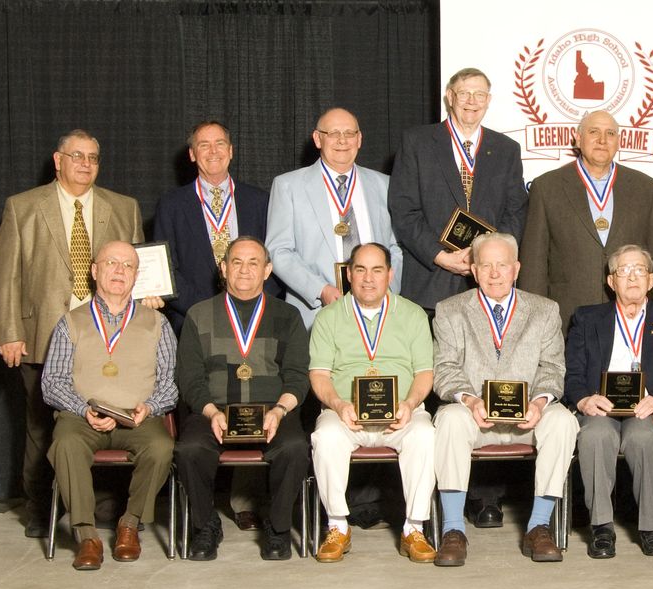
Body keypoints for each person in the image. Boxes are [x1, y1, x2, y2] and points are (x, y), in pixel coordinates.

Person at [0, 129, 145, 537]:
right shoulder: (22, 207)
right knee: (42, 427)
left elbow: (138, 269)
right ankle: (41, 509)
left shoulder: (122, 207)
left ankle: (103, 506)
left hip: (108, 339)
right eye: (76, 156)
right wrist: (9, 331)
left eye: (93, 157)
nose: (85, 164)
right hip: (41, 334)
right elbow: (6, 275)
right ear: (58, 160)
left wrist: (150, 298)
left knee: (108, 422)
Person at [154, 120, 278, 532]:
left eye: (220, 143)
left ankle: (245, 498)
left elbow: (270, 262)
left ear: (231, 150)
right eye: (202, 146)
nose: (212, 151)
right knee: (203, 412)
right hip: (193, 321)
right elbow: (166, 268)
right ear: (191, 155)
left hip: (253, 323)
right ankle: (203, 507)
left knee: (252, 398)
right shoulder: (171, 205)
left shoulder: (260, 200)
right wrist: (207, 310)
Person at [431, 233, 579, 565]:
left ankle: (539, 526)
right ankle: (453, 531)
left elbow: (553, 367)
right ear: (473, 269)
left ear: (516, 269)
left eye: (502, 265)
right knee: (449, 419)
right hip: (476, 418)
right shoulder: (450, 310)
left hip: (528, 418)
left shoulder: (544, 310)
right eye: (486, 265)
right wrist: (470, 401)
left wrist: (539, 403)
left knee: (564, 421)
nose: (495, 273)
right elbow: (444, 368)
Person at [41, 241, 177, 570]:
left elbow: (169, 384)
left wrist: (150, 407)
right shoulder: (70, 322)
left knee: (161, 447)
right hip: (81, 416)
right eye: (111, 263)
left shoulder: (157, 323)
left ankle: (129, 525)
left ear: (136, 276)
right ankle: (87, 536)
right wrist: (83, 408)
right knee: (66, 444)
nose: (119, 271)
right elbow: (52, 381)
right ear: (95, 270)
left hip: (137, 418)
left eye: (128, 266)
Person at [174, 237, 311, 561]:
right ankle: (205, 525)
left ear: (267, 270)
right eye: (236, 262)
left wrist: (280, 410)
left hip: (271, 411)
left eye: (253, 263)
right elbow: (190, 378)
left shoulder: (288, 316)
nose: (245, 270)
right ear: (223, 268)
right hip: (214, 410)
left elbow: (297, 376)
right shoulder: (198, 314)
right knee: (190, 449)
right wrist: (210, 412)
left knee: (294, 448)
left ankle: (277, 528)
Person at [309, 242, 438, 563]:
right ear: (348, 274)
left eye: (377, 270)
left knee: (425, 434)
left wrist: (409, 404)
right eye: (361, 270)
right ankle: (337, 526)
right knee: (325, 436)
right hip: (346, 415)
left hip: (401, 415)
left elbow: (425, 373)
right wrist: (338, 405)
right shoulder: (328, 317)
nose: (369, 278)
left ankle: (414, 528)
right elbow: (319, 375)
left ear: (390, 274)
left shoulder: (413, 314)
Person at [564, 245, 653, 558]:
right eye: (624, 270)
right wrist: (582, 400)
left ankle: (651, 527)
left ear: (651, 280)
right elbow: (573, 371)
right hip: (600, 408)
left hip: (647, 409)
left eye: (639, 271)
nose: (632, 277)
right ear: (611, 281)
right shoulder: (586, 318)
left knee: (643, 437)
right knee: (595, 435)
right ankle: (601, 527)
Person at [520, 110, 653, 329]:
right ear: (577, 138)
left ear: (619, 142)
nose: (603, 140)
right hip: (567, 318)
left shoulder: (645, 187)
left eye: (610, 133)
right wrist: (533, 326)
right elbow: (534, 264)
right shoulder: (546, 187)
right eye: (594, 132)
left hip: (632, 316)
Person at [389, 67, 527, 316]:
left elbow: (516, 211)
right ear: (450, 97)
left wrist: (487, 259)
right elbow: (404, 210)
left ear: (489, 100)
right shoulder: (417, 142)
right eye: (464, 93)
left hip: (488, 284)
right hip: (431, 283)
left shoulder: (507, 150)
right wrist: (439, 256)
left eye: (480, 95)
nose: (472, 102)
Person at [266, 107, 401, 328]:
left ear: (359, 139)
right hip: (317, 311)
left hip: (378, 309)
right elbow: (278, 251)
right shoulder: (288, 186)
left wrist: (386, 288)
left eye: (349, 133)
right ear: (318, 139)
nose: (342, 141)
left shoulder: (384, 185)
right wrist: (320, 290)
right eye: (333, 133)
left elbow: (395, 247)